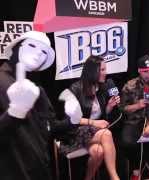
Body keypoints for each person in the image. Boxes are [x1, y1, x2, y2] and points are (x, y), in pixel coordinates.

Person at [0, 31, 57, 180]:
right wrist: (15, 112)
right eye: (31, 46)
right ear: (15, 48)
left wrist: (71, 121)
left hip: (38, 167)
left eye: (44, 52)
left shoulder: (35, 88)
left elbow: (45, 129)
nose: (38, 54)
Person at [58, 55, 121, 180]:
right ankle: (115, 178)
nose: (105, 72)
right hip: (75, 132)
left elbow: (101, 116)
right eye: (102, 70)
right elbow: (70, 119)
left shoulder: (102, 88)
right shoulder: (75, 89)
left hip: (93, 133)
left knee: (98, 152)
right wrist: (94, 123)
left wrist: (109, 107)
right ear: (93, 71)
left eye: (105, 69)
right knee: (106, 134)